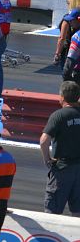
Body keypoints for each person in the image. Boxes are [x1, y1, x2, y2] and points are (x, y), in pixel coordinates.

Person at [39, 81, 80, 216]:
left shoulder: (59, 115)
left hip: (62, 169)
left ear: (62, 97)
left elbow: (44, 141)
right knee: (78, 213)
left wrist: (47, 159)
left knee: (52, 213)